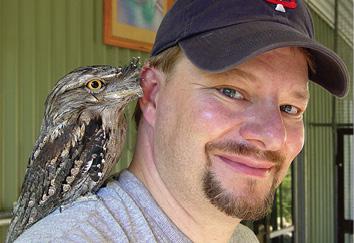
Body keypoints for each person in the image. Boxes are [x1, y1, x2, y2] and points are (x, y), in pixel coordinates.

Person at [15, 0, 348, 242]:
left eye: (290, 108)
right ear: (153, 93)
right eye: (230, 91)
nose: (273, 136)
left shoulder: (242, 238)